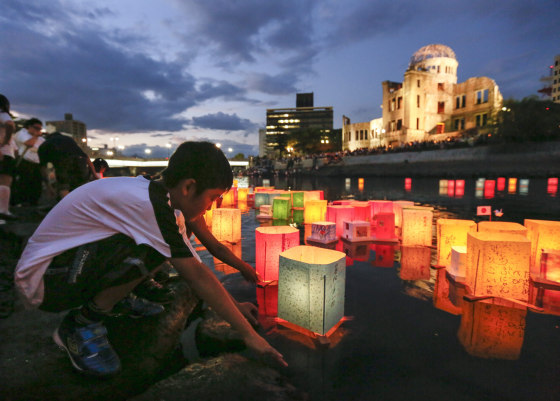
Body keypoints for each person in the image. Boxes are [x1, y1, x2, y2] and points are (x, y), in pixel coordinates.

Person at [14, 141, 286, 377]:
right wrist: (249, 335)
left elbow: (197, 267)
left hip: (69, 267)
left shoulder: (163, 203)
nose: (213, 206)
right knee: (155, 249)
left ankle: (116, 297)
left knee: (167, 249)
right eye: (213, 197)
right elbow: (196, 275)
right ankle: (82, 323)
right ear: (189, 187)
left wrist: (236, 306)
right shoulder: (147, 205)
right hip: (47, 281)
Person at [38, 131, 99, 199]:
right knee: (81, 186)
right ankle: (84, 206)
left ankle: (67, 206)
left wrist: (48, 187)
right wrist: (94, 174)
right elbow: (86, 157)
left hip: (61, 162)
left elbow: (43, 169)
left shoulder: (44, 145)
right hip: (80, 161)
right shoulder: (68, 139)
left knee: (64, 187)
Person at [13, 118, 45, 206]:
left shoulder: (39, 137)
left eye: (39, 129)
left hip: (36, 162)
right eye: (36, 128)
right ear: (29, 127)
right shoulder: (22, 133)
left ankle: (33, 202)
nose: (38, 130)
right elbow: (29, 143)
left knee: (36, 183)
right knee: (23, 182)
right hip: (24, 161)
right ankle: (20, 202)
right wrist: (36, 136)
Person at [0, 94, 17, 218]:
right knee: (5, 182)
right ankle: (3, 211)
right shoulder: (3, 114)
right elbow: (10, 124)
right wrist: (4, 142)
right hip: (4, 153)